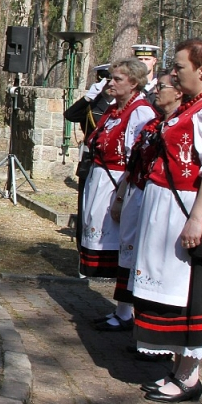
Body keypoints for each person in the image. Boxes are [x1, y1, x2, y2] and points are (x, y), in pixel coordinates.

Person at [132, 38, 202, 403]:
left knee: (193, 294)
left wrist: (197, 220)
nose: (174, 73)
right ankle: (179, 368)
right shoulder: (194, 104)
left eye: (180, 67)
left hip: (194, 208)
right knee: (174, 292)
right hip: (173, 206)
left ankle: (189, 378)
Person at [80, 58, 155, 331]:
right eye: (111, 78)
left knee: (125, 249)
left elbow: (135, 159)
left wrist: (121, 196)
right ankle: (121, 310)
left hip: (120, 184)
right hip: (101, 179)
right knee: (116, 249)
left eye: (117, 79)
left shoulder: (140, 113)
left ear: (133, 83)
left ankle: (126, 312)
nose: (110, 83)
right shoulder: (114, 109)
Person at [111, 71, 182, 349]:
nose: (155, 91)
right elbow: (135, 160)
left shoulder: (179, 124)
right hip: (140, 191)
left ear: (178, 92)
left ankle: (156, 339)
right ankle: (131, 320)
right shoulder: (155, 123)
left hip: (165, 202)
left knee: (155, 266)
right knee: (134, 257)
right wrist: (121, 194)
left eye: (161, 87)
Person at [65, 62, 112, 250]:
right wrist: (88, 97)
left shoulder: (120, 106)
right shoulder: (93, 104)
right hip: (89, 161)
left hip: (110, 166)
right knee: (85, 209)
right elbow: (70, 114)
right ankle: (82, 251)